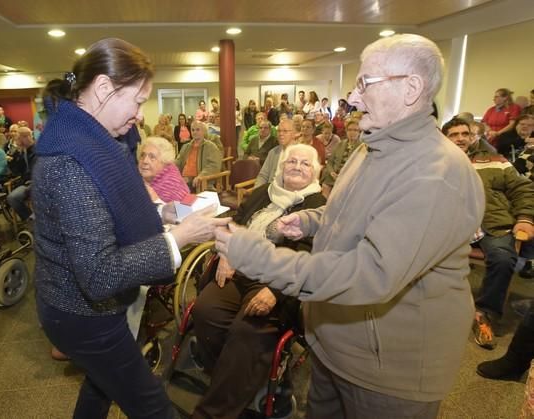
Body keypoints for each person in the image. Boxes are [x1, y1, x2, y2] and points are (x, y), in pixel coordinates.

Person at [214, 34, 485, 418]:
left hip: (388, 371)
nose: (353, 99)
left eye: (365, 84)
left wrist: (259, 258)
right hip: (334, 344)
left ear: (411, 88)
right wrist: (310, 221)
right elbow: (356, 214)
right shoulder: (371, 148)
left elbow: (371, 273)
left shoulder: (436, 173)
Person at [32, 38, 229, 419]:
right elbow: (100, 274)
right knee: (152, 406)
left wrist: (163, 217)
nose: (140, 114)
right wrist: (179, 238)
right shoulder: (71, 161)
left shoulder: (84, 140)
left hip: (73, 308)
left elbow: (105, 217)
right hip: (84, 316)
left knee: (100, 387)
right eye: (138, 100)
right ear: (104, 88)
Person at [192, 144, 325, 419]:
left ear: (316, 173)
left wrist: (276, 290)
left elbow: (309, 256)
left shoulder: (317, 207)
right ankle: (237, 381)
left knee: (248, 331)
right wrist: (227, 253)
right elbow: (236, 221)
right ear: (281, 166)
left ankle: (213, 412)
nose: (297, 167)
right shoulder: (263, 192)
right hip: (239, 269)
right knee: (205, 310)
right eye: (292, 161)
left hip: (277, 282)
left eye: (305, 163)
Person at [443, 117, 534, 350]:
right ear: (444, 139)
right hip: (451, 227)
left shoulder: (493, 159)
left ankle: (484, 313)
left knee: (503, 259)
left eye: (465, 133)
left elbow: (522, 188)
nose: (460, 138)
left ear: (472, 136)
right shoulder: (435, 163)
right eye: (454, 135)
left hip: (492, 225)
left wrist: (524, 219)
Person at [139, 136, 189, 203]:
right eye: (142, 155)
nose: (145, 161)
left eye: (152, 157)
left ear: (164, 162)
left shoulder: (173, 187)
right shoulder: (138, 180)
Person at [175, 121, 222, 191]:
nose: (194, 132)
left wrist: (201, 176)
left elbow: (214, 166)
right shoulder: (186, 147)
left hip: (199, 180)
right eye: (192, 130)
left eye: (197, 129)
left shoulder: (211, 147)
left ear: (204, 131)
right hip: (184, 179)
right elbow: (178, 162)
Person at [6, 127, 36, 221]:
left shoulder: (38, 150)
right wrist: (12, 160)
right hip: (26, 183)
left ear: (26, 137)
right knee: (12, 198)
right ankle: (30, 218)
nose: (16, 142)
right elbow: (16, 171)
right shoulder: (22, 151)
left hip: (38, 183)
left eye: (18, 139)